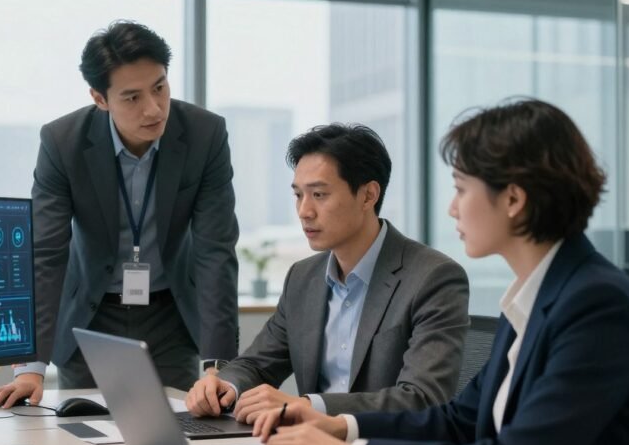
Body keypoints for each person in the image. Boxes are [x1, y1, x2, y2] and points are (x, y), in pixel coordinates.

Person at [250, 99, 629, 445]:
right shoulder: (536, 295)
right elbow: (459, 421)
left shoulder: (596, 303)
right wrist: (339, 425)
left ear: (512, 198)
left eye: (460, 188)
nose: (453, 208)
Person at [0, 21, 239, 408]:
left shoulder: (205, 135)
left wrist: (218, 364)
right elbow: (46, 253)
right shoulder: (62, 142)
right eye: (132, 97)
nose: (153, 109)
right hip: (90, 316)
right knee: (79, 433)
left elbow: (215, 251)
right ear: (100, 99)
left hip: (170, 316)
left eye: (159, 87)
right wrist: (31, 366)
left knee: (182, 432)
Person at [185, 124, 469, 422]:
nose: (304, 211)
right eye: (298, 195)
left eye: (319, 194)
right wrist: (224, 385)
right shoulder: (303, 277)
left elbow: (421, 399)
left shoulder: (433, 278)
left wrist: (309, 406)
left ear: (368, 195)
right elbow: (256, 364)